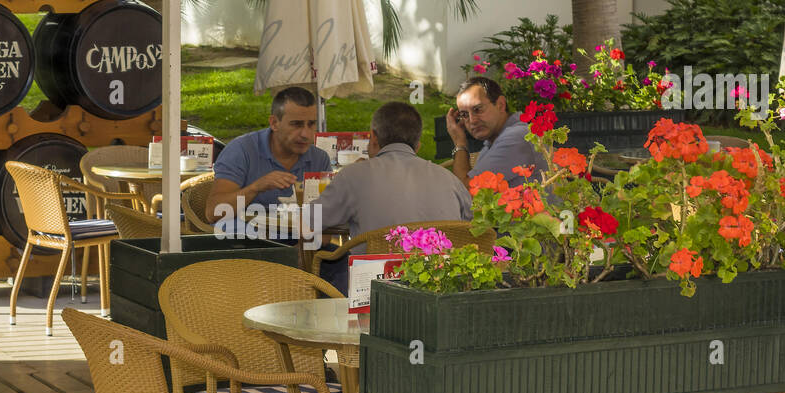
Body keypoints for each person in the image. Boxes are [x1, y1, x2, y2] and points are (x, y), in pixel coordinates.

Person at [313, 101, 473, 292]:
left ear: (373, 138)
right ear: (418, 145)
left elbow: (310, 220)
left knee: (325, 262)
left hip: (372, 293)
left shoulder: (356, 175)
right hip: (438, 288)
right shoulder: (451, 181)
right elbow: (468, 227)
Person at [205, 86, 332, 224]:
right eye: (296, 125)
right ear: (274, 123)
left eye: (311, 124)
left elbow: (326, 223)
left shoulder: (319, 159)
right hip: (249, 241)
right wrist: (256, 187)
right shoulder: (241, 150)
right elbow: (213, 213)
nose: (306, 134)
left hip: (301, 240)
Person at [444, 76, 545, 189]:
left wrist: (460, 143)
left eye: (477, 109)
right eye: (464, 115)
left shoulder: (516, 138)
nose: (472, 121)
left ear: (501, 104)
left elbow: (465, 192)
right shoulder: (494, 140)